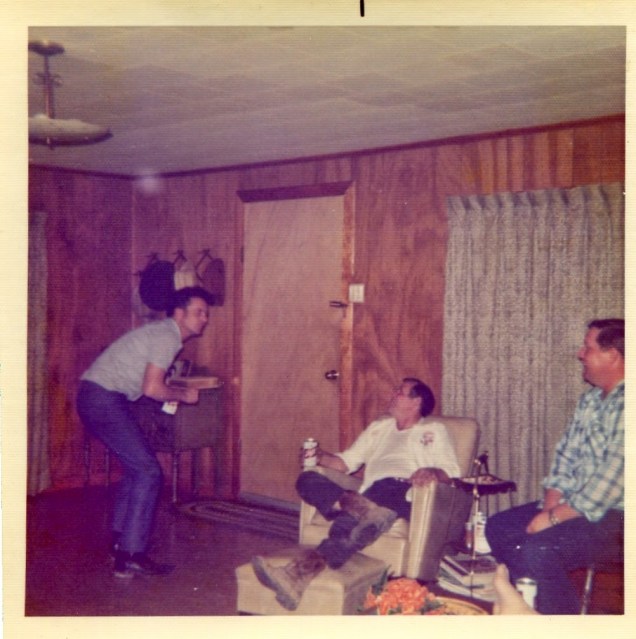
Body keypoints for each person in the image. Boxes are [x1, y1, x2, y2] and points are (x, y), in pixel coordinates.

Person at [251, 377, 461, 610]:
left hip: (402, 491)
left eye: (399, 392)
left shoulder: (433, 430)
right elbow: (345, 463)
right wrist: (321, 457)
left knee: (346, 523)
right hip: (371, 491)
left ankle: (296, 575)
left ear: (416, 402)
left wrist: (432, 471)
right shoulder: (379, 428)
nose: (392, 395)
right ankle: (365, 511)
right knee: (307, 479)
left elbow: (452, 471)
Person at [485, 318, 624, 614]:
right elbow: (565, 456)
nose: (580, 354)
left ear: (612, 355)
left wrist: (554, 518)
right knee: (499, 527)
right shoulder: (590, 401)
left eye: (587, 348)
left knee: (539, 550)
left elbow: (614, 479)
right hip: (576, 508)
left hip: (619, 518)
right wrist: (550, 506)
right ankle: (528, 607)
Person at [76, 286, 214, 578]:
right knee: (149, 471)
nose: (205, 318)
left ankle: (119, 542)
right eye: (199, 312)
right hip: (103, 399)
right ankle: (130, 555)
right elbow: (152, 389)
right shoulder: (167, 337)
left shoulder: (163, 334)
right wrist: (184, 395)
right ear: (180, 313)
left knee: (137, 469)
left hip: (96, 397)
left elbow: (148, 383)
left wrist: (171, 390)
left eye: (206, 313)